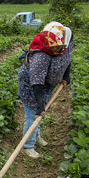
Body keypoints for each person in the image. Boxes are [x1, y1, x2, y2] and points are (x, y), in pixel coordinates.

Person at [17, 21, 73, 158]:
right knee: (33, 115)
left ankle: (35, 136)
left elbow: (67, 60)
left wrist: (66, 76)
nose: (56, 51)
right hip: (32, 87)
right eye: (53, 49)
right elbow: (36, 83)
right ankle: (28, 146)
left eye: (58, 48)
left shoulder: (63, 45)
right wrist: (40, 105)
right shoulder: (40, 56)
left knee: (39, 114)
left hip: (46, 86)